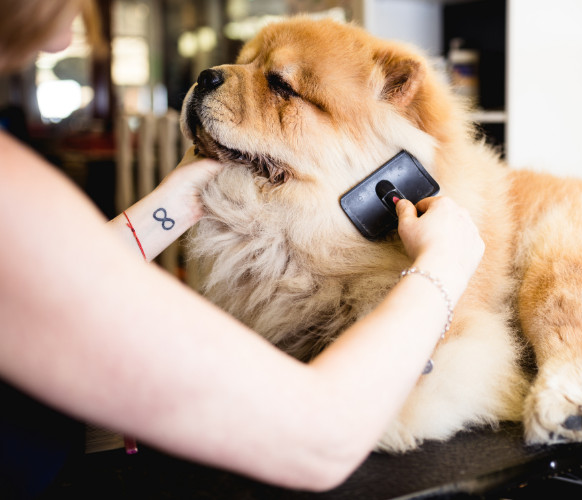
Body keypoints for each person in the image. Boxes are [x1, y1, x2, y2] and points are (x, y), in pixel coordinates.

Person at [0, 0, 485, 493]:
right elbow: (321, 436)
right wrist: (443, 267)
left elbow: (59, 276)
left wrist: (173, 203)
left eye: (278, 85)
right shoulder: (13, 196)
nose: (70, 33)